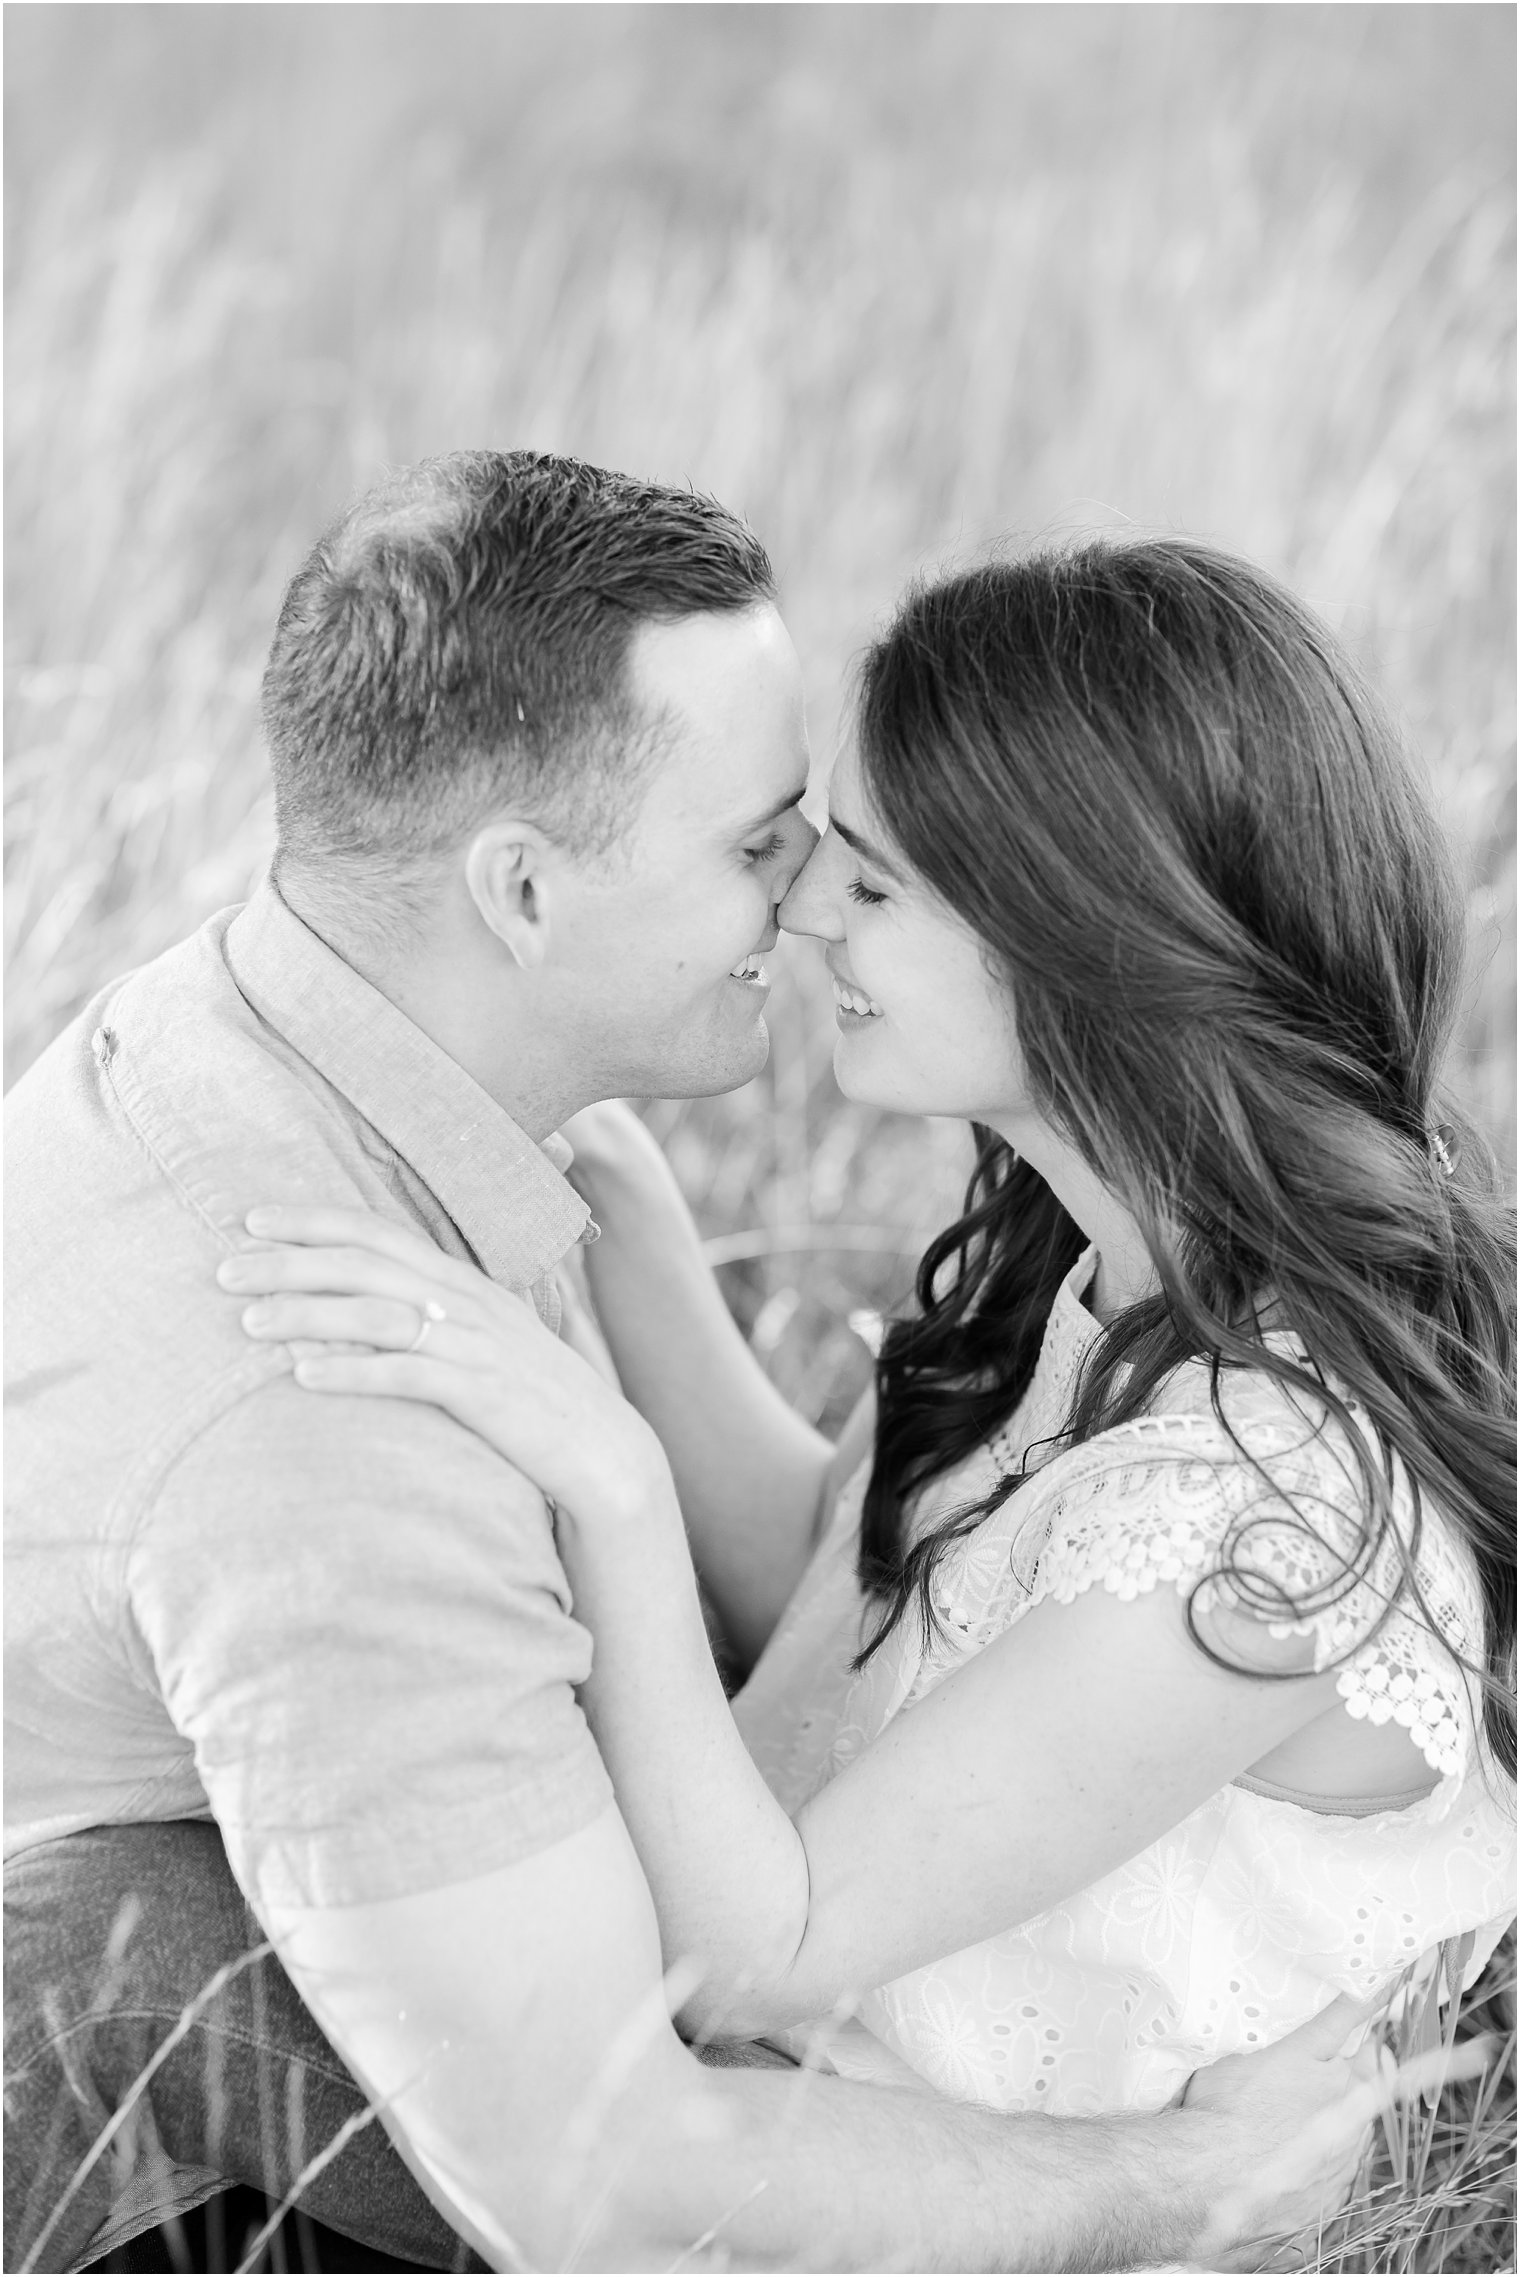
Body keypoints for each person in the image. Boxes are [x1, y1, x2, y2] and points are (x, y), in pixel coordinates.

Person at [4, 460, 1381, 2276]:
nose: (810, 900)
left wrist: (632, 1337)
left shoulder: (278, 1034)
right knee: (94, 1959)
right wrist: (1179, 2181)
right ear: (518, 889)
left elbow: (873, 1599)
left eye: (857, 865)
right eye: (764, 844)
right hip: (679, 2092)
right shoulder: (331, 1409)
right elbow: (607, 2176)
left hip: (797, 2013)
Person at [225, 540, 1515, 2134]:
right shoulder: (1099, 1261)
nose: (806, 902)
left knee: (148, 1984)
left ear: (1088, 944)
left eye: (876, 879)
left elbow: (758, 1953)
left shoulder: (1263, 1517)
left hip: (925, 2201)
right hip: (776, 2122)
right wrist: (624, 1227)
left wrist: (610, 1482)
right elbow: (857, 1589)